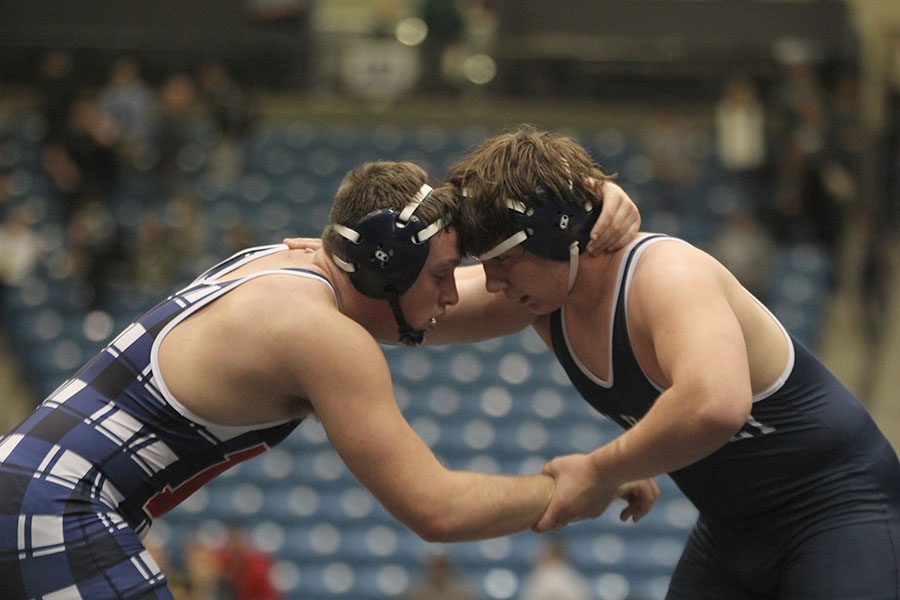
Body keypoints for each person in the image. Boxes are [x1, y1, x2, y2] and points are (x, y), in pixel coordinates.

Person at [0, 160, 639, 599]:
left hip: (27, 483)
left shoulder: (290, 266)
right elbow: (438, 509)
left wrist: (581, 217)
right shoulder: (325, 338)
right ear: (387, 273)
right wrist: (579, 482)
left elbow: (513, 292)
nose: (454, 291)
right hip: (59, 506)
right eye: (442, 274)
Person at [433, 126, 900, 599]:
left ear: (559, 234)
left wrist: (601, 470)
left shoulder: (665, 274)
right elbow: (412, 307)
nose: (491, 283)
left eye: (501, 261)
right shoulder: (543, 296)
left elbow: (715, 405)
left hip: (838, 506)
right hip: (733, 530)